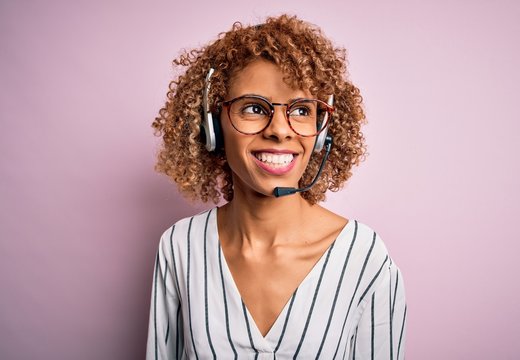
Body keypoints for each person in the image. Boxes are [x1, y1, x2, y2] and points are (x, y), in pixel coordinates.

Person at [146, 14, 406, 360]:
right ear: (212, 125)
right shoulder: (179, 247)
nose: (280, 130)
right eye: (254, 108)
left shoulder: (365, 257)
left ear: (322, 131)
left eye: (301, 110)